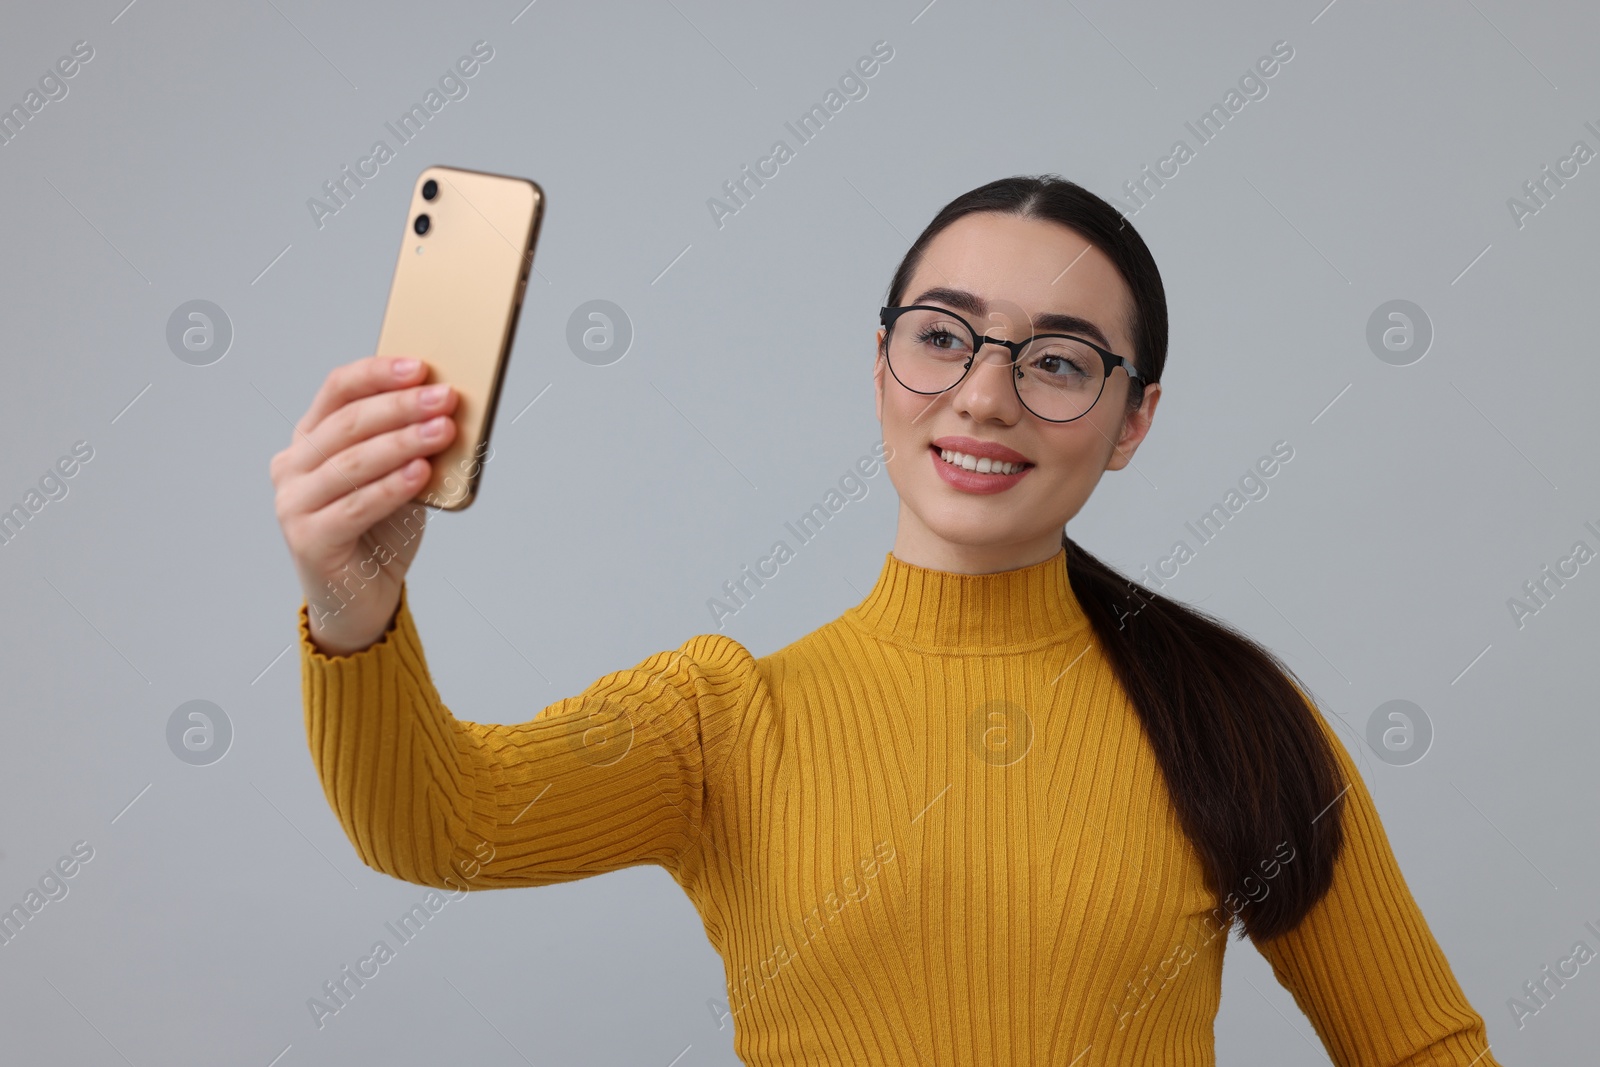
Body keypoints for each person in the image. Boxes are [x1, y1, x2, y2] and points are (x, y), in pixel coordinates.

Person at [271, 175, 1503, 1065]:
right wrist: (353, 594)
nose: (982, 396)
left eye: (1060, 360)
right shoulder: (721, 718)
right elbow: (441, 825)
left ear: (1133, 421)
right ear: (880, 370)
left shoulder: (1232, 720)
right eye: (941, 338)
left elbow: (1420, 1046)